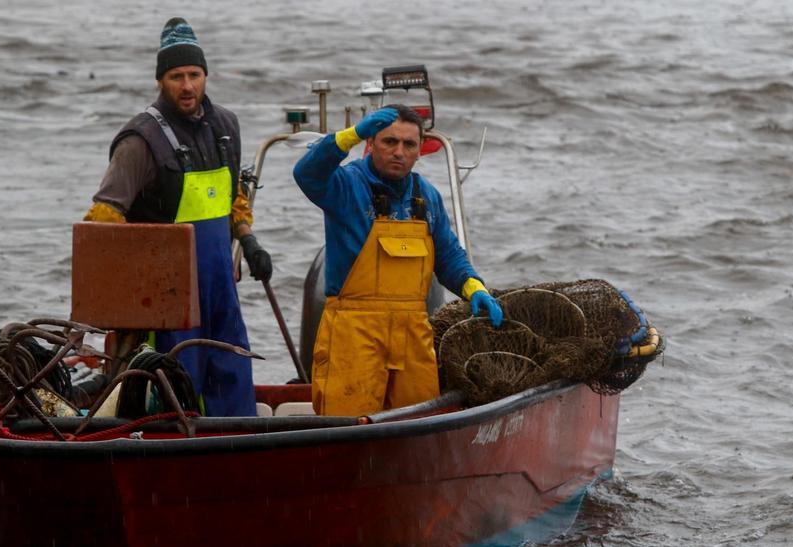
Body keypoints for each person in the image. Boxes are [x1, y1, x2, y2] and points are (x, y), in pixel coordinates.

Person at [83, 17, 270, 417]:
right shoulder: (139, 141)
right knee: (173, 390)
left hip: (221, 289)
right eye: (176, 76)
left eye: (194, 74)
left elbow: (233, 195)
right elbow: (104, 216)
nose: (187, 86)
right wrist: (119, 301)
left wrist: (248, 238)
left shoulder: (226, 127)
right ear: (160, 81)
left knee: (234, 376)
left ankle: (240, 453)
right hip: (165, 299)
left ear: (205, 75)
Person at [293, 105, 504, 416]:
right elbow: (307, 173)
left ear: (420, 150)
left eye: (409, 144)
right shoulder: (345, 186)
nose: (399, 152)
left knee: (420, 421)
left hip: (413, 335)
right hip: (355, 332)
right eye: (388, 142)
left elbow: (447, 254)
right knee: (350, 423)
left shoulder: (426, 195)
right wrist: (351, 134)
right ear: (370, 144)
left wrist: (475, 288)